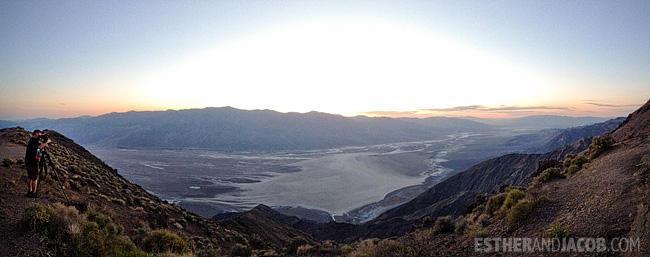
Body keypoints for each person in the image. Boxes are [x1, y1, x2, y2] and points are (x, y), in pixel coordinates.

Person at [24, 129, 51, 198]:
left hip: (28, 161)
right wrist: (46, 142)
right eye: (40, 134)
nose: (41, 135)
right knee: (35, 177)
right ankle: (34, 192)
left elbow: (38, 149)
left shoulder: (32, 140)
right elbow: (39, 147)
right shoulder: (34, 140)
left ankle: (29, 191)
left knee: (30, 177)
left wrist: (42, 147)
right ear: (36, 133)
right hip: (33, 161)